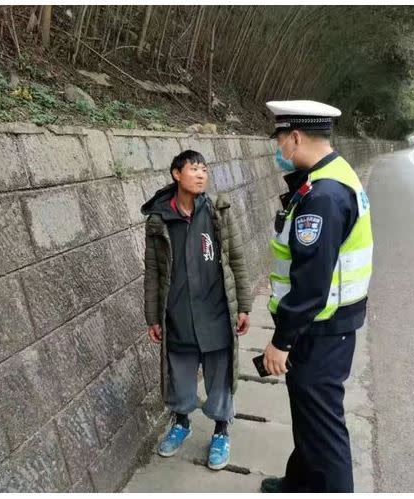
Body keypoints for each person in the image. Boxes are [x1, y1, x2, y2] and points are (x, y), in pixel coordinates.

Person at [259, 100, 374, 493]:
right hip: (325, 325)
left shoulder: (323, 195)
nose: (278, 149)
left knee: (324, 430)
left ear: (294, 137)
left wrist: (281, 340)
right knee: (308, 415)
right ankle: (298, 484)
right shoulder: (332, 175)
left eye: (279, 139)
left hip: (320, 329)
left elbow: (310, 284)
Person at [141, 150, 252, 470]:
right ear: (177, 174)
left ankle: (221, 430)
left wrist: (243, 305)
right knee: (179, 376)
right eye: (194, 169)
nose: (201, 175)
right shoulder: (159, 219)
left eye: (205, 169)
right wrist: (152, 316)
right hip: (178, 314)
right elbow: (153, 273)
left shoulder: (218, 211)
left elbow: (237, 259)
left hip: (216, 311)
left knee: (220, 373)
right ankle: (181, 423)